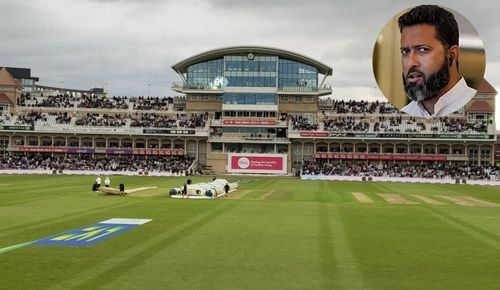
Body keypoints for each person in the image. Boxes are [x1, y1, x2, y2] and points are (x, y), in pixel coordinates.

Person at [399, 5, 476, 118]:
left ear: (451, 56)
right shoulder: (405, 112)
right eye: (405, 51)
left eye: (423, 50)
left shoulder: (473, 104)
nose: (411, 62)